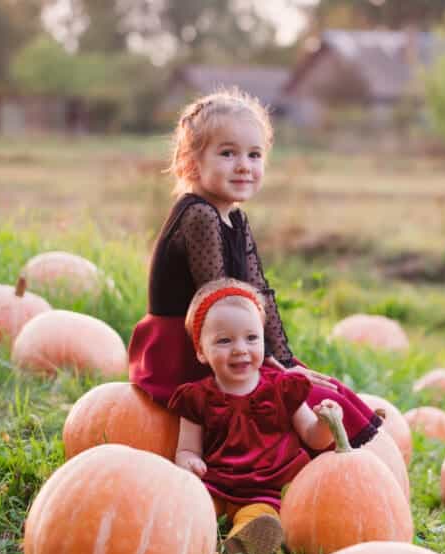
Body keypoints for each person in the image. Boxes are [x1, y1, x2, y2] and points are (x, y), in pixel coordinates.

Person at [127, 88, 382, 448]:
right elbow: (219, 302)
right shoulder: (198, 214)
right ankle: (287, 472)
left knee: (305, 384)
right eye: (228, 153)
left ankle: (337, 449)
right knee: (282, 401)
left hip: (230, 336)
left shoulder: (235, 218)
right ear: (191, 163)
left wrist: (284, 359)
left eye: (254, 154)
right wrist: (272, 369)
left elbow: (258, 291)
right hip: (190, 350)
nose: (244, 165)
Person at [169, 278, 341, 554]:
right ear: (201, 352)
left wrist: (326, 423)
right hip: (215, 483)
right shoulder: (196, 397)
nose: (240, 349)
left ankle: (242, 544)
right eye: (224, 340)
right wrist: (188, 462)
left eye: (251, 338)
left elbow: (313, 436)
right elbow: (187, 449)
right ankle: (182, 533)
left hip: (265, 488)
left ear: (263, 340)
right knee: (190, 505)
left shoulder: (282, 389)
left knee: (259, 515)